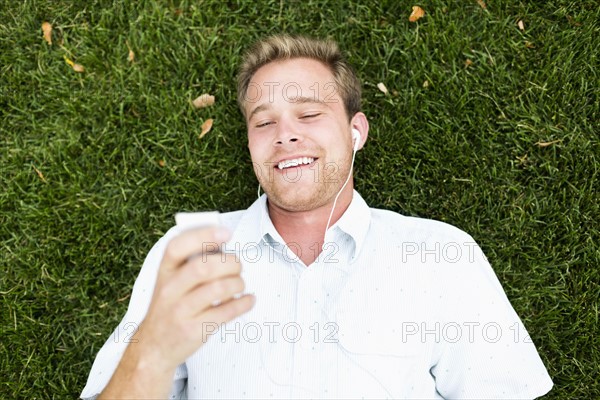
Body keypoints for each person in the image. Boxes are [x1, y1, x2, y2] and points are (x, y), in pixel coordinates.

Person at [81, 34, 553, 399]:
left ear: (356, 131)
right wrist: (150, 351)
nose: (285, 135)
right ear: (250, 142)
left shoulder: (440, 254)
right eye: (264, 122)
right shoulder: (191, 252)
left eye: (309, 114)